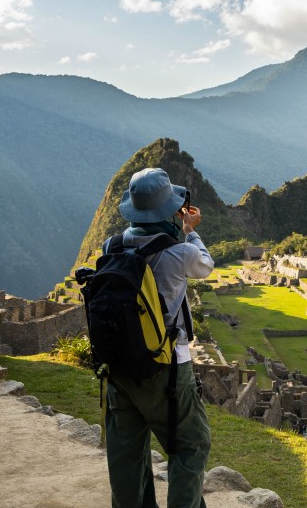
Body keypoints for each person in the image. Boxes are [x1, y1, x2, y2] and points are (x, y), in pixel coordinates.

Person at [104, 167, 215, 508]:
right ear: (168, 210)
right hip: (165, 368)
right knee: (192, 444)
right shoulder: (181, 252)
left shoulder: (113, 245)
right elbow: (206, 266)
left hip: (118, 366)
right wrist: (190, 231)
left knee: (126, 453)